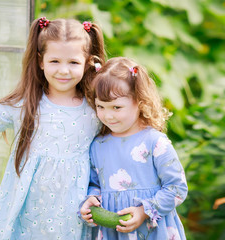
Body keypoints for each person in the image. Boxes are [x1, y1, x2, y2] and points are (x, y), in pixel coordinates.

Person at [0, 17, 105, 239]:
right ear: (40, 61)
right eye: (55, 61)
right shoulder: (27, 105)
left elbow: (114, 147)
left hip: (72, 215)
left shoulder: (96, 110)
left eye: (73, 63)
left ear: (87, 63)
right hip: (27, 214)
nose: (64, 70)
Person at [79, 57, 188, 240]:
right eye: (101, 106)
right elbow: (95, 183)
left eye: (116, 107)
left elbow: (177, 188)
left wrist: (144, 211)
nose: (108, 115)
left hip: (154, 232)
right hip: (113, 232)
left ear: (139, 101)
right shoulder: (98, 145)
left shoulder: (155, 142)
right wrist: (92, 200)